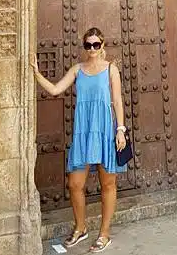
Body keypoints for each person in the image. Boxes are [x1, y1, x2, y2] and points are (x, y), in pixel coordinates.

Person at [31, 28, 127, 252]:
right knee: (75, 184)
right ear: (84, 47)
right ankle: (80, 228)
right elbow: (55, 90)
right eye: (88, 45)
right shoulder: (78, 70)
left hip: (104, 130)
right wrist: (36, 74)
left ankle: (104, 234)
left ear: (102, 45)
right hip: (84, 132)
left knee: (108, 183)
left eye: (95, 44)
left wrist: (120, 129)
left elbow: (117, 100)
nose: (92, 49)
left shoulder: (111, 69)